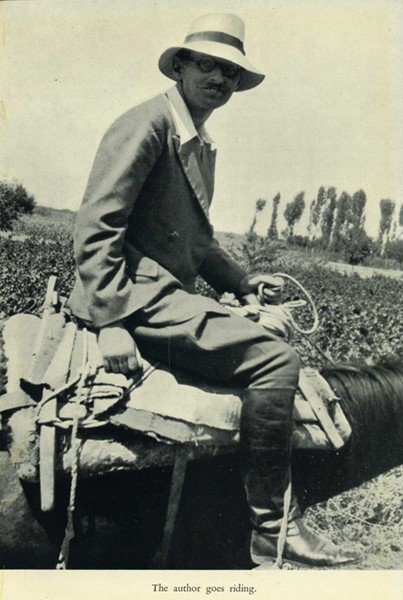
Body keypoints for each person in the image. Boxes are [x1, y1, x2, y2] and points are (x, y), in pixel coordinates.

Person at [68, 13, 360, 568]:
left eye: (230, 72)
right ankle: (273, 528)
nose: (220, 79)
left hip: (160, 294)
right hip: (135, 297)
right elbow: (96, 227)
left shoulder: (195, 141)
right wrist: (111, 322)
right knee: (276, 360)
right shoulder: (147, 125)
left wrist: (243, 282)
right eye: (208, 65)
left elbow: (196, 244)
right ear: (180, 66)